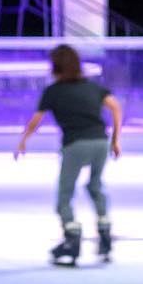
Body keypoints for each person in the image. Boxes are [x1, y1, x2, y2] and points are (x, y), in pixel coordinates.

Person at [14, 43, 123, 265]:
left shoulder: (53, 91)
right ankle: (104, 232)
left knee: (65, 194)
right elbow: (115, 107)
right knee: (95, 186)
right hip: (100, 142)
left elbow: (36, 119)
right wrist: (115, 140)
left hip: (75, 145)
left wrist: (23, 140)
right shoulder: (93, 88)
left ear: (56, 67)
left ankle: (72, 238)